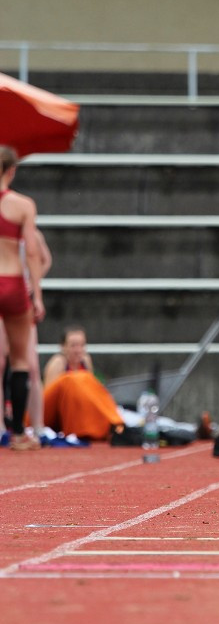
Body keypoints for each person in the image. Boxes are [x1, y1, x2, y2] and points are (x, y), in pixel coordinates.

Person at [0, 146, 45, 450]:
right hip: (13, 282)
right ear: (12, 170)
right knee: (19, 359)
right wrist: (37, 295)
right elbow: (32, 252)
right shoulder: (23, 204)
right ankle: (18, 434)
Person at [1, 228, 52, 439]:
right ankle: (2, 427)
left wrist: (33, 282)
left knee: (31, 366)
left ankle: (38, 426)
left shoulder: (33, 235)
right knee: (1, 363)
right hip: (5, 296)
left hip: (21, 301)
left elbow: (44, 259)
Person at [43, 325, 124, 440]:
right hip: (60, 418)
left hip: (79, 415)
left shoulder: (86, 361)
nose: (78, 350)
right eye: (73, 346)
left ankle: (114, 422)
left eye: (81, 345)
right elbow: (48, 399)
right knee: (72, 381)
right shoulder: (58, 363)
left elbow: (91, 393)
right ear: (63, 347)